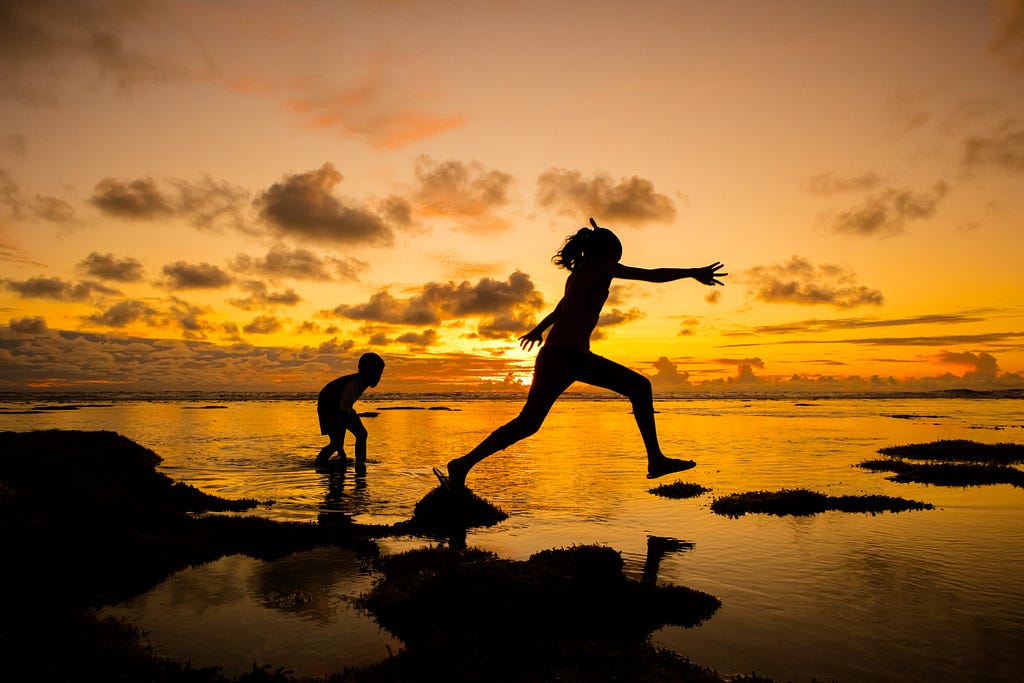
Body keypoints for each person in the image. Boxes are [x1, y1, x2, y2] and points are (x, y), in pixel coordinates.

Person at [434, 218, 726, 490]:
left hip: (553, 356)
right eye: (617, 254)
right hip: (569, 356)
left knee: (528, 423)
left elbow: (561, 308)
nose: (619, 261)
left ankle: (462, 465)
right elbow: (650, 275)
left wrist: (538, 330)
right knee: (640, 386)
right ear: (609, 253)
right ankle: (656, 460)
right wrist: (691, 273)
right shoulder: (602, 266)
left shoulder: (578, 275)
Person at [316, 352, 385, 467]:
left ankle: (355, 461)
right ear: (367, 373)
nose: (379, 378)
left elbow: (345, 408)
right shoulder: (354, 384)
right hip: (329, 407)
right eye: (377, 374)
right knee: (338, 442)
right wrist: (340, 438)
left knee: (358, 436)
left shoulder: (361, 381)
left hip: (339, 407)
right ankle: (320, 462)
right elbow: (341, 412)